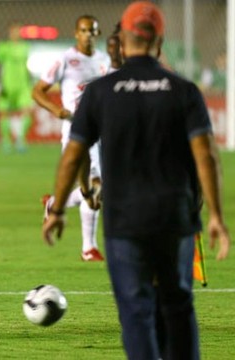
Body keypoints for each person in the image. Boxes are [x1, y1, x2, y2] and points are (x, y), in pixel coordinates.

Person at [42, 2, 231, 359]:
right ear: (159, 43)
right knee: (178, 307)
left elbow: (74, 154)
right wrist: (217, 216)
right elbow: (206, 155)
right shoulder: (184, 91)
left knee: (136, 313)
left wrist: (59, 208)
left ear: (124, 41)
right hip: (175, 217)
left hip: (125, 220)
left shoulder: (99, 92)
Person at [32, 15, 110, 261]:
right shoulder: (65, 59)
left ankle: (56, 203)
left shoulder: (103, 61)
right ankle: (89, 248)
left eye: (92, 31)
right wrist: (58, 111)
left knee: (98, 188)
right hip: (77, 131)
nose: (88, 34)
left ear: (97, 34)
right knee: (95, 185)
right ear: (77, 33)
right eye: (84, 30)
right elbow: (38, 91)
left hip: (101, 130)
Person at [0, 21, 34, 153]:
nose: (16, 33)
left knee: (27, 111)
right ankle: (6, 141)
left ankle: (20, 139)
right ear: (9, 32)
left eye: (18, 31)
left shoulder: (25, 46)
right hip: (6, 85)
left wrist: (30, 79)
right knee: (4, 113)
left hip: (23, 85)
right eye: (13, 31)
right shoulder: (3, 47)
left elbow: (26, 66)